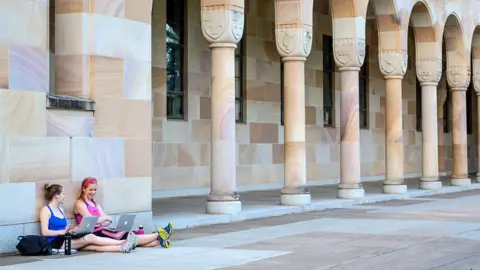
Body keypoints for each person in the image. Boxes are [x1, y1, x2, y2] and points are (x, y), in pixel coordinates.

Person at [74, 177, 174, 248]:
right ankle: (159, 234)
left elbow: (108, 221)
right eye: (90, 190)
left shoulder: (95, 204)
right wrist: (102, 219)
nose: (93, 192)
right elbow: (91, 221)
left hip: (101, 230)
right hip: (94, 233)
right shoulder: (80, 203)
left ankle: (158, 241)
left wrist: (100, 220)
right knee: (126, 236)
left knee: (127, 235)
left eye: (95, 190)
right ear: (84, 189)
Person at [39, 184, 138, 253]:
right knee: (90, 237)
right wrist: (62, 232)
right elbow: (44, 232)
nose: (64, 196)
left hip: (65, 237)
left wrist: (73, 230)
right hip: (54, 242)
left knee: (92, 246)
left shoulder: (61, 209)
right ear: (56, 196)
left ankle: (121, 248)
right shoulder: (46, 210)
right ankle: (122, 242)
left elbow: (65, 230)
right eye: (63, 194)